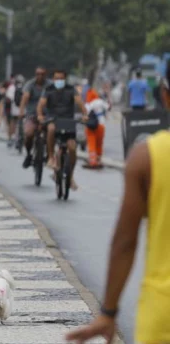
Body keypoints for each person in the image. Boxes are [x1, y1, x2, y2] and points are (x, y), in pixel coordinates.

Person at [65, 131, 170, 344]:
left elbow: (125, 242)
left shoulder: (147, 157)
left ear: (165, 98)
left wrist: (108, 312)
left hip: (163, 313)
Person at [37, 69, 87, 191]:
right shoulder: (49, 89)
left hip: (68, 122)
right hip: (52, 119)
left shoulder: (71, 89)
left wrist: (85, 114)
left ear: (65, 79)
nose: (58, 81)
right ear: (53, 79)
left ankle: (71, 176)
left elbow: (80, 103)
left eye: (61, 78)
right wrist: (40, 115)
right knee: (51, 129)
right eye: (56, 78)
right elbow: (41, 105)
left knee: (72, 148)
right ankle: (51, 157)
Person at [19, 67, 49, 169]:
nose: (40, 76)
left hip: (46, 114)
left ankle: (49, 154)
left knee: (51, 132)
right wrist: (21, 111)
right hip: (32, 114)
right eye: (38, 74)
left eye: (42, 74)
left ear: (45, 75)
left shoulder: (49, 85)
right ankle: (28, 154)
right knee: (29, 133)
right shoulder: (30, 84)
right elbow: (25, 97)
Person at [84, 86, 109, 169]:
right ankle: (98, 160)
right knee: (99, 143)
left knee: (91, 143)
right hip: (101, 125)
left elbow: (85, 113)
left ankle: (92, 161)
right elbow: (108, 107)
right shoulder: (100, 101)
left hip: (91, 126)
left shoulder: (88, 104)